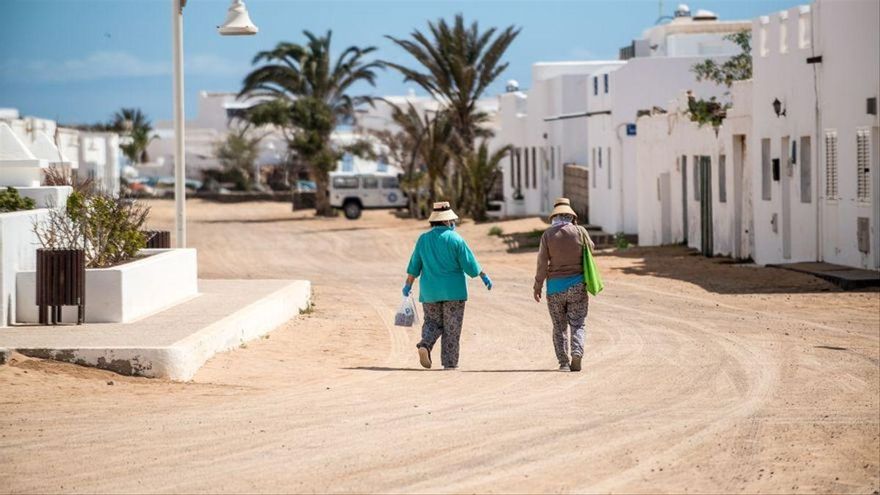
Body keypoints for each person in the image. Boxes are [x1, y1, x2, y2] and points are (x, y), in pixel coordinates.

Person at [403, 201, 492, 370]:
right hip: (454, 292)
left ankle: (425, 344)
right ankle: (450, 363)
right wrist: (484, 276)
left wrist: (408, 285)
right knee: (452, 328)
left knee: (432, 322)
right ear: (446, 220)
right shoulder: (456, 239)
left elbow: (414, 265)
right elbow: (470, 264)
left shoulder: (423, 239)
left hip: (430, 292)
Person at [533, 198, 595, 372]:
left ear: (554, 216)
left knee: (559, 326)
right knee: (578, 323)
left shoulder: (547, 235)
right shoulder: (580, 231)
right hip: (577, 286)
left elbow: (542, 263)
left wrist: (538, 286)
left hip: (554, 288)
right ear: (571, 216)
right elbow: (591, 249)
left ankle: (563, 363)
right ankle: (577, 351)